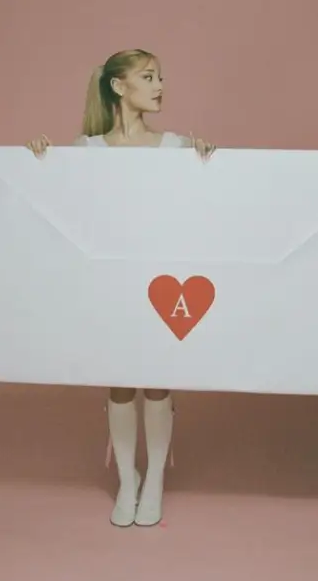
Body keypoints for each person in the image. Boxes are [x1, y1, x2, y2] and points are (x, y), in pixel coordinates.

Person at [27, 49, 215, 528]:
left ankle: (154, 479)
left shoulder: (176, 147)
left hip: (160, 278)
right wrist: (39, 163)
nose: (160, 86)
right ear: (118, 86)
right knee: (119, 379)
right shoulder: (86, 151)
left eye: (161, 78)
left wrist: (207, 166)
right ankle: (128, 479)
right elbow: (64, 213)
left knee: (156, 380)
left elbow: (200, 210)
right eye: (148, 77)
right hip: (110, 283)